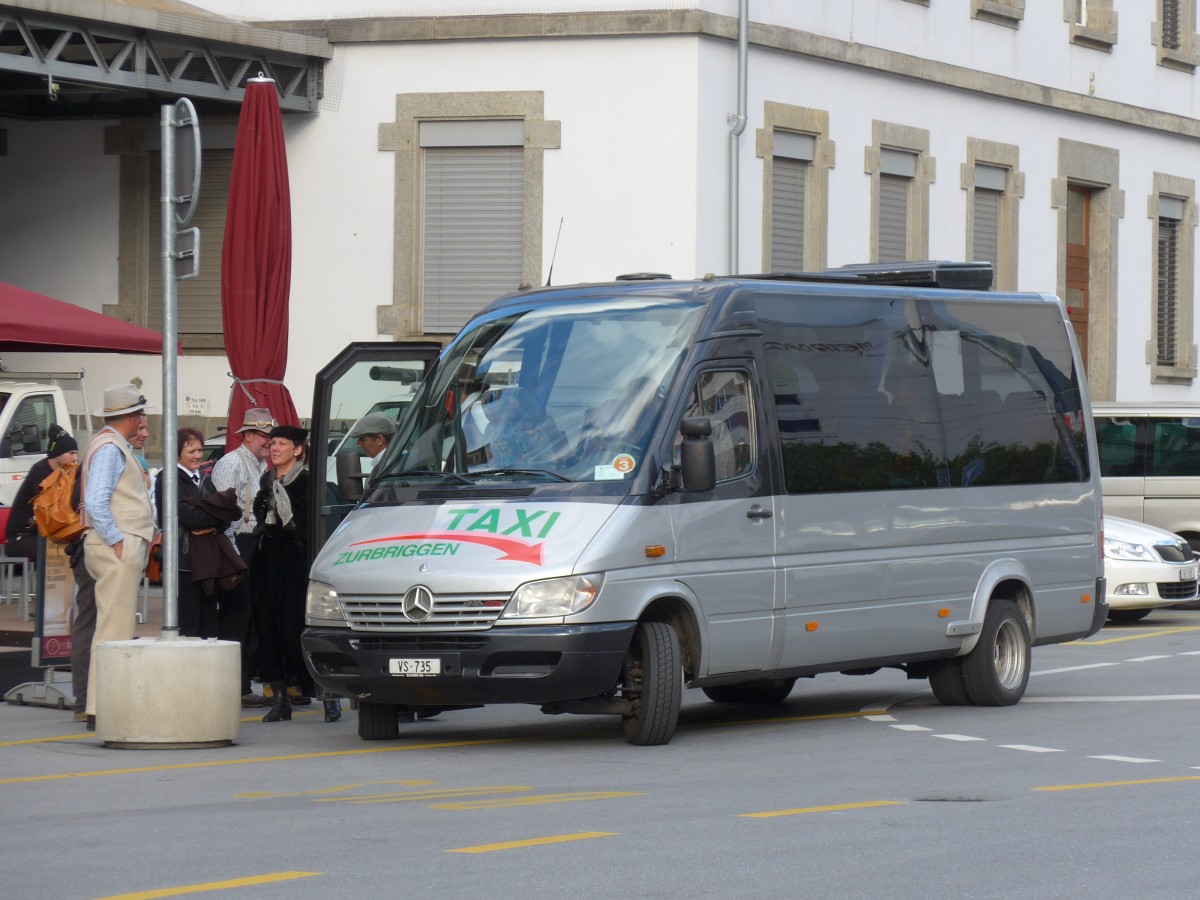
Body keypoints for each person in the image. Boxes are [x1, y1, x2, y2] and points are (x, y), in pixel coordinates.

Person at [79, 385, 155, 731]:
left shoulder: (108, 443)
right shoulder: (111, 447)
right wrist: (118, 540)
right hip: (115, 544)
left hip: (110, 543)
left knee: (112, 625)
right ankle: (101, 706)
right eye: (140, 413)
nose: (142, 419)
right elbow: (97, 501)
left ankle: (100, 705)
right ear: (130, 415)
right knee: (114, 628)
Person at [251, 425, 336, 722]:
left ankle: (328, 696)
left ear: (298, 450)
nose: (274, 448)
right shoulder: (267, 481)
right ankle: (281, 699)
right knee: (267, 628)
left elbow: (314, 527)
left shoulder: (309, 483)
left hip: (297, 562)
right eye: (272, 443)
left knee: (298, 629)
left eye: (281, 443)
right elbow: (262, 520)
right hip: (267, 560)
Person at [210, 408, 274, 708]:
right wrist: (233, 554)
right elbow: (220, 511)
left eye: (270, 436)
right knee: (236, 616)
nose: (268, 441)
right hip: (236, 544)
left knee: (251, 617)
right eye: (263, 435)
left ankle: (243, 683)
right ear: (247, 435)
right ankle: (231, 685)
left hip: (255, 543)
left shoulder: (262, 465)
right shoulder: (230, 463)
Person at [153, 428, 244, 638]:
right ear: (176, 453)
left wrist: (212, 517)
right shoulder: (168, 479)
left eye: (200, 450)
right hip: (184, 561)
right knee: (188, 624)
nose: (197, 456)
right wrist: (215, 515)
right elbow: (190, 518)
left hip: (209, 559)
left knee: (209, 623)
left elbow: (226, 516)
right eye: (191, 451)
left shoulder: (203, 477)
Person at [3, 427, 78, 561]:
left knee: (78, 546)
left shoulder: (64, 473)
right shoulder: (40, 471)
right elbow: (52, 511)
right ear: (57, 454)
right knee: (62, 550)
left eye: (76, 453)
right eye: (71, 453)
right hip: (21, 537)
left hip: (40, 535)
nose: (75, 458)